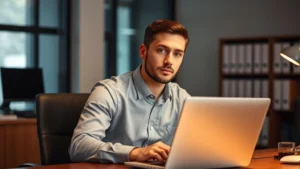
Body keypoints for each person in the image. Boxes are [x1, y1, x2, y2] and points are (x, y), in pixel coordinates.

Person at [69, 19, 190, 163]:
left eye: (177, 54)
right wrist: (134, 153)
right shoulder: (109, 92)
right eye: (161, 50)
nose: (169, 61)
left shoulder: (184, 100)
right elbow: (79, 146)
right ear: (143, 51)